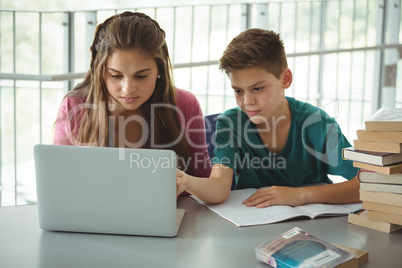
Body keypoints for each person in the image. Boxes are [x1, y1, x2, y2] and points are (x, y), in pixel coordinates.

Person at [176, 28, 360, 207]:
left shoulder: (317, 123)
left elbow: (366, 184)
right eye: (238, 91)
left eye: (258, 88)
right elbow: (218, 187)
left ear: (285, 79)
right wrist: (186, 181)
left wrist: (301, 195)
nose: (247, 101)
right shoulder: (231, 124)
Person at [54, 11, 211, 179]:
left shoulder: (184, 103)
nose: (128, 89)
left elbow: (203, 178)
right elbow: (58, 178)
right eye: (116, 76)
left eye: (141, 76)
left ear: (159, 70)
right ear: (99, 71)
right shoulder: (75, 105)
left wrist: (182, 186)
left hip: (172, 205)